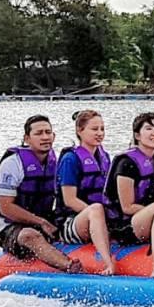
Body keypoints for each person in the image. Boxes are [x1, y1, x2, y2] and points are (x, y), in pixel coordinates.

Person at [0, 114, 86, 273]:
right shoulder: (13, 164)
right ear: (27, 138)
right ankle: (69, 266)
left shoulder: (56, 161)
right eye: (39, 133)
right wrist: (40, 222)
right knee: (30, 235)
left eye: (48, 132)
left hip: (47, 219)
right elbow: (6, 207)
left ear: (54, 136)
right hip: (14, 227)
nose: (45, 137)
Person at [103, 111, 154, 278]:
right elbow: (127, 207)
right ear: (137, 135)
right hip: (126, 225)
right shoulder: (126, 163)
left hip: (149, 217)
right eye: (149, 129)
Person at [55, 109, 119, 275]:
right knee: (96, 208)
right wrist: (99, 217)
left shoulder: (104, 157)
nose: (99, 133)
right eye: (94, 129)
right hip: (71, 223)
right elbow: (69, 200)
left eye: (102, 129)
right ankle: (107, 263)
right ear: (80, 131)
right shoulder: (70, 159)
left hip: (98, 219)